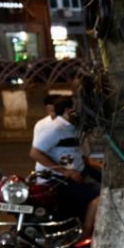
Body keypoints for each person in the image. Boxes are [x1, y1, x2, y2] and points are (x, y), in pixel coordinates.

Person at [28, 97, 100, 238]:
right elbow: (35, 153)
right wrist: (65, 171)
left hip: (73, 178)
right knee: (102, 195)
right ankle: (86, 234)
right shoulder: (55, 128)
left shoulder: (71, 128)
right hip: (58, 181)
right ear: (68, 110)